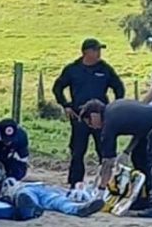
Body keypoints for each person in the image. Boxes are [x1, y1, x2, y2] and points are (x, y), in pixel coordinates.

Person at [79, 98, 152, 218]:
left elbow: (108, 163)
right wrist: (127, 151)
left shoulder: (108, 124)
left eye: (90, 123)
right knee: (138, 156)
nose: (93, 127)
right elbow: (140, 127)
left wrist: (101, 192)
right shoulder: (114, 108)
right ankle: (146, 197)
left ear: (94, 115)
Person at [52, 38, 126, 187]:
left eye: (100, 50)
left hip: (102, 118)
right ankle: (75, 183)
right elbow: (58, 87)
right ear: (86, 52)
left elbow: (119, 88)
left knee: (104, 152)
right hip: (79, 117)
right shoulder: (72, 69)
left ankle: (106, 185)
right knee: (78, 151)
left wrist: (112, 109)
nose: (99, 53)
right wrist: (66, 105)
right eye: (96, 50)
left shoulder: (105, 69)